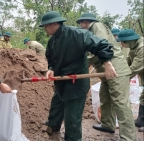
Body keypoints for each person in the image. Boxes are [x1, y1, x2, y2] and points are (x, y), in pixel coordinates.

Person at [40, 11, 117, 140]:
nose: (45, 29)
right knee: (56, 104)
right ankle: (53, 126)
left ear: (54, 24)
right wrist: (51, 69)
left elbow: (101, 44)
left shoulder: (77, 34)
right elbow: (50, 58)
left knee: (72, 117)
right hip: (61, 81)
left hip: (76, 83)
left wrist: (107, 64)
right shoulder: (52, 41)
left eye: (46, 26)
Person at [76, 12, 136, 140]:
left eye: (81, 23)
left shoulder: (96, 26)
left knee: (120, 103)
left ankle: (129, 137)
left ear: (86, 22)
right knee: (105, 98)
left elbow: (102, 45)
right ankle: (108, 124)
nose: (81, 26)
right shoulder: (90, 33)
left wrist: (86, 62)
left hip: (115, 70)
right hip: (105, 72)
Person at [118, 29, 144, 132]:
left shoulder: (142, 48)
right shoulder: (134, 46)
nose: (121, 44)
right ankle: (140, 120)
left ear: (129, 40)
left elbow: (135, 66)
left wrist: (122, 77)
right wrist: (119, 71)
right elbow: (128, 61)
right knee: (143, 97)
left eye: (123, 42)